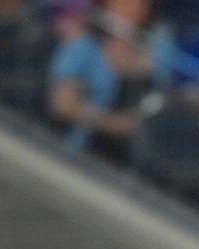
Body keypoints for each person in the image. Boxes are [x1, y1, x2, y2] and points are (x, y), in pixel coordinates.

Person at [47, 0, 176, 164]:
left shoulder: (157, 46)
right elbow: (62, 105)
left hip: (138, 159)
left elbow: (163, 96)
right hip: (86, 153)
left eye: (138, 3)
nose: (131, 8)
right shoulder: (82, 45)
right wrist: (114, 123)